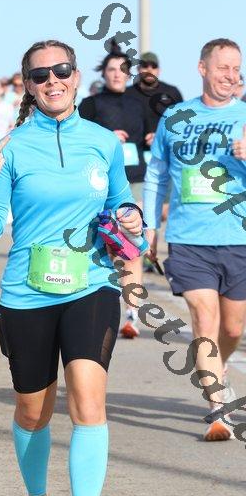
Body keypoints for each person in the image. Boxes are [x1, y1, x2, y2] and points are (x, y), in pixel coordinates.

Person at [0, 39, 143, 496]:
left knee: (89, 400)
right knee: (33, 412)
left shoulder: (102, 142)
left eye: (62, 70)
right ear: (28, 84)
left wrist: (131, 217)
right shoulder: (11, 148)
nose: (53, 81)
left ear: (75, 75)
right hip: (27, 293)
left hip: (92, 285)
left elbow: (120, 202)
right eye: (41, 75)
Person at [143, 38, 246, 442]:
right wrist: (150, 225)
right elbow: (157, 174)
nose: (231, 76)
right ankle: (218, 409)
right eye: (223, 67)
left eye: (236, 69)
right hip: (188, 238)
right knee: (204, 319)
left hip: (238, 237)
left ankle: (217, 370)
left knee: (233, 327)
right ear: (202, 68)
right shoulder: (176, 117)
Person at [78, 41, 149, 339]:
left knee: (133, 245)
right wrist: (107, 138)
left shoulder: (140, 103)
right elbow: (78, 141)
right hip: (99, 185)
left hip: (134, 179)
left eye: (122, 69)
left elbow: (151, 138)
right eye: (111, 69)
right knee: (105, 246)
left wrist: (151, 137)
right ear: (103, 73)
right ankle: (95, 305)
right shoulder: (90, 104)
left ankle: (132, 313)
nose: (117, 74)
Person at [126, 51, 183, 149]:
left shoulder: (172, 92)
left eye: (154, 66)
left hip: (166, 150)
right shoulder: (127, 94)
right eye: (145, 66)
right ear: (138, 69)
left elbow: (182, 123)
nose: (149, 69)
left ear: (159, 70)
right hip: (134, 151)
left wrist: (160, 137)